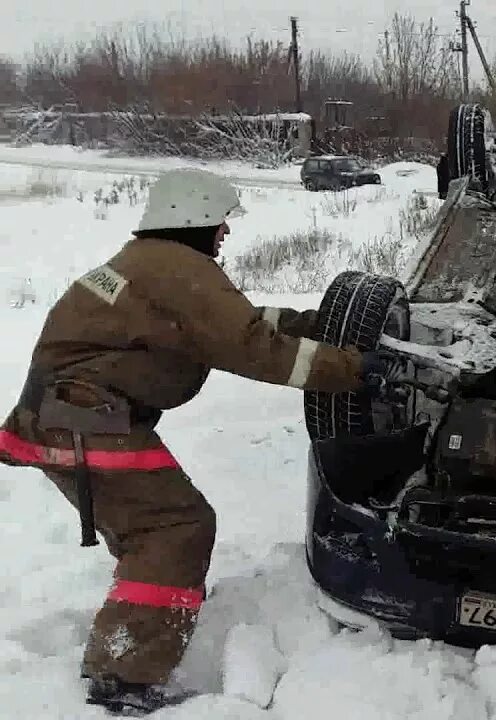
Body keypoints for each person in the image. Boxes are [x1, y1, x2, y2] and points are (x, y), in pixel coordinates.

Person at [0, 168, 387, 716]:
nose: (225, 233)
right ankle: (123, 680)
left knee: (158, 532)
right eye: (222, 223)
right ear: (195, 216)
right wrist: (355, 370)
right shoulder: (176, 270)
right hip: (83, 421)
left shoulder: (155, 265)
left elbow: (229, 324)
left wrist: (316, 323)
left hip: (70, 416)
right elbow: (252, 346)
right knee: (173, 529)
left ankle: (130, 646)